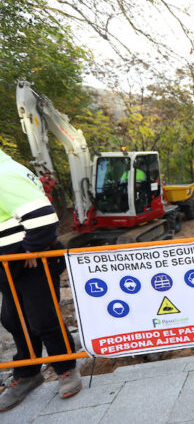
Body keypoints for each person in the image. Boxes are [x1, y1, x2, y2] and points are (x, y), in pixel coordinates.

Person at [0, 148, 82, 411]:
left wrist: (33, 248)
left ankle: (66, 368)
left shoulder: (3, 174)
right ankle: (28, 372)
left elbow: (44, 218)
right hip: (9, 266)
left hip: (30, 263)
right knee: (13, 319)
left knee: (43, 318)